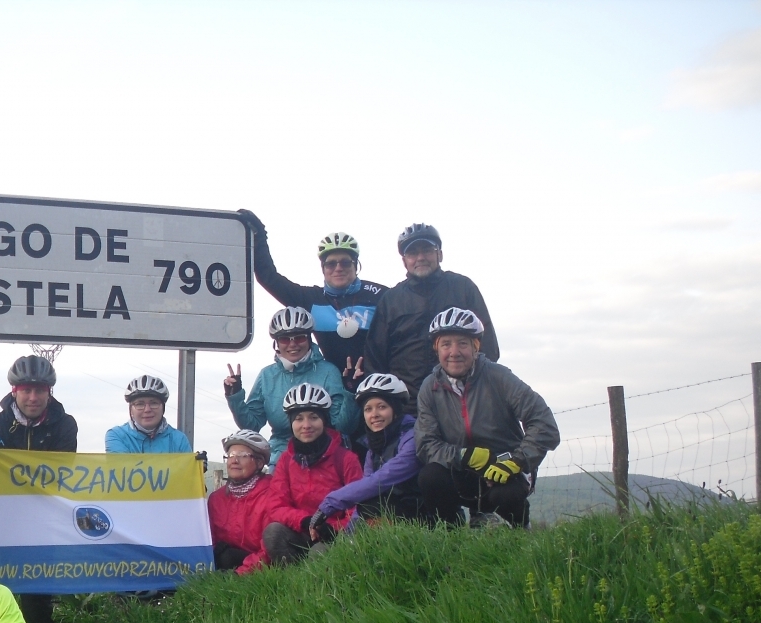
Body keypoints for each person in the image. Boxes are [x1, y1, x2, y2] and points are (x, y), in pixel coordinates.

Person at [0, 354, 77, 623]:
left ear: (49, 392)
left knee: (38, 606)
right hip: (5, 526)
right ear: (14, 391)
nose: (33, 397)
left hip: (43, 525)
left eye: (40, 391)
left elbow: (62, 472)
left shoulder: (65, 423)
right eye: (26, 391)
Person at [415, 308, 560, 527]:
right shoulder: (430, 387)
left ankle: (520, 531)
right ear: (437, 349)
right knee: (430, 477)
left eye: (463, 343)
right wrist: (464, 456)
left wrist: (516, 461)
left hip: (505, 468)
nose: (454, 352)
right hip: (461, 470)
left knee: (506, 496)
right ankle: (451, 538)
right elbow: (426, 443)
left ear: (476, 347)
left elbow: (544, 424)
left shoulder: (499, 377)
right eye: (446, 344)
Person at [238, 211, 386, 383]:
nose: (338, 268)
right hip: (333, 388)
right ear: (323, 268)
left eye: (345, 262)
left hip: (376, 389)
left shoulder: (379, 295)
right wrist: (260, 237)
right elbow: (269, 278)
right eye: (331, 263)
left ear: (356, 265)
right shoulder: (311, 300)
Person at [364, 223, 500, 402]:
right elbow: (375, 358)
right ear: (404, 261)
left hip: (461, 401)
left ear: (440, 254)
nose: (420, 257)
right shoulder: (391, 300)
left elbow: (488, 346)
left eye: (427, 250)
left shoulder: (463, 288)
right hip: (408, 406)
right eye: (412, 253)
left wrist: (473, 388)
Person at [223, 307, 355, 465]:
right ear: (276, 343)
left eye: (299, 338)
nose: (292, 345)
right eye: (285, 339)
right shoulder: (267, 375)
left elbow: (342, 426)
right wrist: (235, 397)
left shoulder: (329, 371)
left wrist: (350, 392)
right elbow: (251, 425)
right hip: (281, 456)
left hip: (323, 455)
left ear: (309, 339)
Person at [260, 384, 363, 565]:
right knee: (273, 533)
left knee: (319, 553)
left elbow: (359, 508)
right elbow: (276, 507)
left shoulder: (346, 459)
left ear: (324, 421)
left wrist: (332, 528)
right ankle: (290, 586)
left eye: (313, 417)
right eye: (299, 419)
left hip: (333, 534)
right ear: (291, 423)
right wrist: (306, 521)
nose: (306, 425)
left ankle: (321, 592)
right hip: (301, 530)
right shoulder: (285, 460)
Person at [315, 374, 427, 523]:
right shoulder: (372, 450)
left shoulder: (412, 437)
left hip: (425, 514)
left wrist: (331, 502)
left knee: (372, 505)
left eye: (381, 407)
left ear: (395, 409)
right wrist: (346, 539)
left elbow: (382, 479)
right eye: (368, 409)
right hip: (399, 512)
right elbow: (365, 493)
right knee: (367, 505)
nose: (374, 415)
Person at [206, 430, 276, 573]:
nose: (234, 461)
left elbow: (269, 549)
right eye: (231, 455)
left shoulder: (272, 494)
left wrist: (240, 574)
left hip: (259, 569)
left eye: (242, 456)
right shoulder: (216, 499)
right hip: (225, 566)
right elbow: (209, 541)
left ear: (259, 462)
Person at [105, 376, 192, 453]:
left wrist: (197, 466)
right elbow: (122, 468)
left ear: (163, 408)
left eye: (154, 403)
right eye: (140, 404)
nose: (147, 410)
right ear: (131, 410)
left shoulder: (179, 439)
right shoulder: (116, 435)